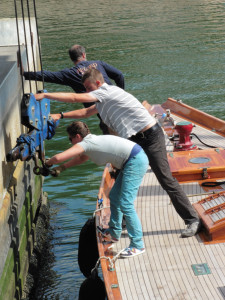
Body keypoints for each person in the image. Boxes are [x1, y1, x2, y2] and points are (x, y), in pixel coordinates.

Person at [35, 69, 201, 238]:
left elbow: (76, 98)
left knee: (165, 179)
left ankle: (192, 219)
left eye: (87, 87)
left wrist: (46, 96)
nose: (86, 91)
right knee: (119, 180)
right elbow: (85, 112)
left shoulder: (107, 91)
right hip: (133, 141)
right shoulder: (102, 101)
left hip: (151, 136)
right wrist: (60, 115)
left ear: (98, 83)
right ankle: (121, 222)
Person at [45, 121, 149, 258]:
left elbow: (59, 157)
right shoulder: (91, 142)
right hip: (131, 161)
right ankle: (114, 233)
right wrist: (62, 168)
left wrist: (47, 162)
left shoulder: (87, 143)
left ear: (77, 136)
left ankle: (137, 245)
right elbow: (81, 158)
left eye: (70, 139)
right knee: (114, 197)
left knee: (125, 203)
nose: (71, 142)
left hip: (135, 161)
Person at [23, 44, 124, 109]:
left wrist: (25, 74)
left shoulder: (69, 74)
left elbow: (47, 75)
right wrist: (120, 93)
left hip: (99, 109)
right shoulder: (99, 63)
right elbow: (119, 75)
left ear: (71, 59)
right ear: (84, 55)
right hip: (116, 101)